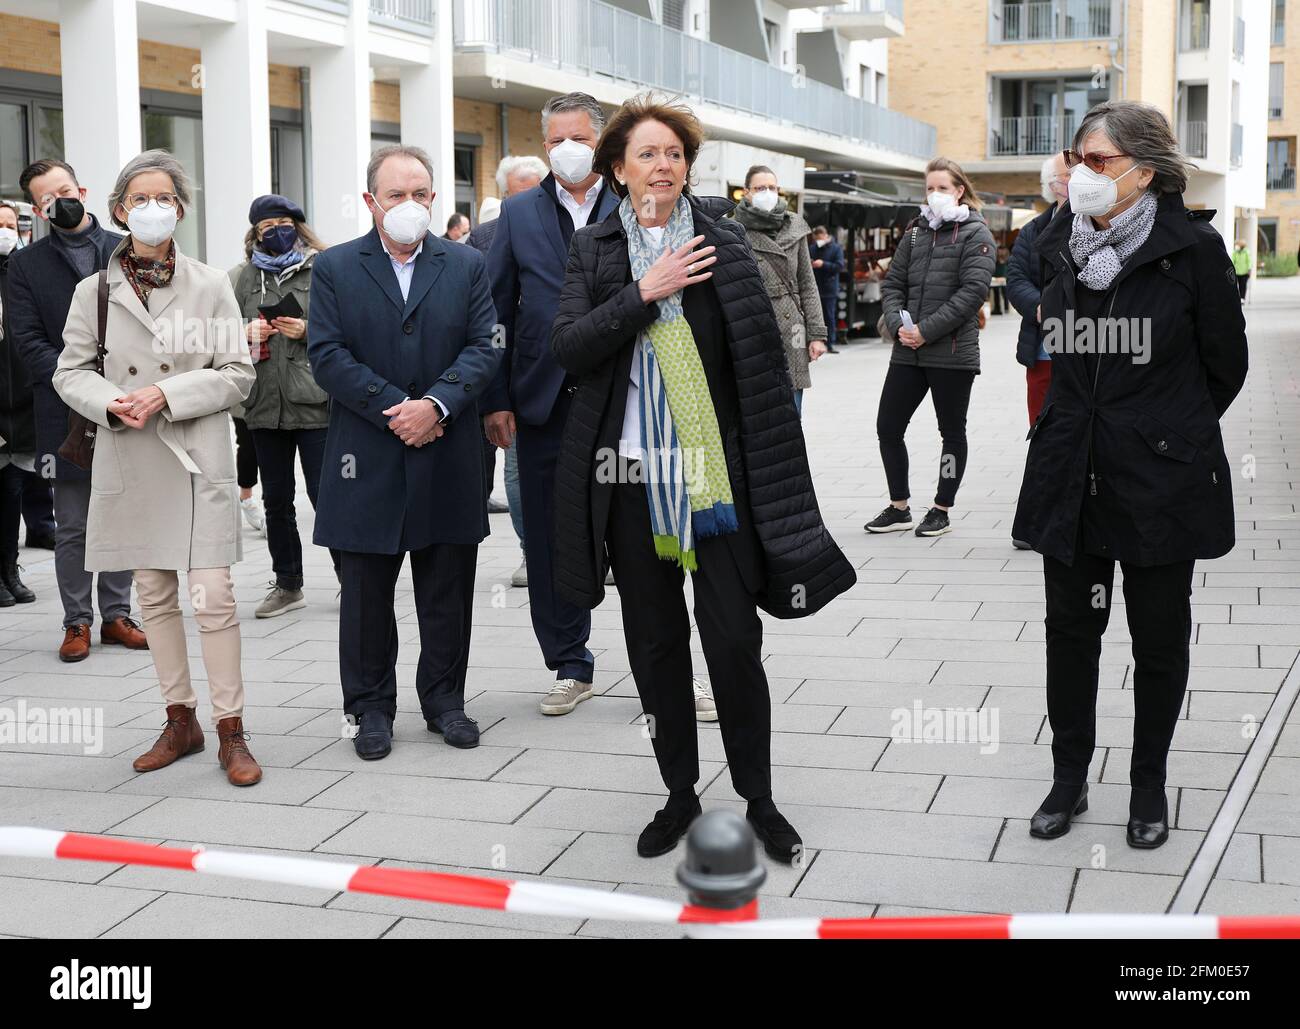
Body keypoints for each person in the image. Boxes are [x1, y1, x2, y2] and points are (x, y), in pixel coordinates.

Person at [550, 92, 856, 861]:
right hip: (628, 480)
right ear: (617, 170)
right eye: (647, 153)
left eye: (675, 154)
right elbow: (568, 349)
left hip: (713, 480)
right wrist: (643, 294)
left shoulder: (723, 243)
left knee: (733, 640)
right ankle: (678, 793)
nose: (664, 165)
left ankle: (760, 797)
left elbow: (756, 366)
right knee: (655, 646)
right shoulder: (594, 252)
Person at [1012, 101, 1248, 849]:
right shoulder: (1057, 243)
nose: (1083, 173)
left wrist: (1159, 426)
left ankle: (1149, 782)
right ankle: (1069, 777)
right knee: (1069, 634)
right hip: (1069, 470)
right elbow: (1058, 339)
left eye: (1100, 161)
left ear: (1145, 171)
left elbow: (1225, 366)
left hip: (1157, 480)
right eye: (1078, 159)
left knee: (1158, 637)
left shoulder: (1195, 250)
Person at [485, 94, 723, 719]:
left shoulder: (642, 204)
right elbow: (496, 310)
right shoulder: (517, 214)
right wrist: (497, 398)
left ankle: (678, 669)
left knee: (657, 540)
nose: (568, 149)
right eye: (556, 139)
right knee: (549, 540)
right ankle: (570, 662)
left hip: (625, 405)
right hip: (544, 401)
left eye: (580, 138)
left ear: (608, 149)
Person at [53, 149, 262, 786]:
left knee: (214, 597)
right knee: (154, 595)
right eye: (139, 199)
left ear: (180, 209)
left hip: (196, 455)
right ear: (118, 210)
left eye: (164, 198)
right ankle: (181, 720)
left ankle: (232, 729)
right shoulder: (94, 290)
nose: (152, 208)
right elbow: (70, 372)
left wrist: (167, 394)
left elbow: (238, 375)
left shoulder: (211, 283)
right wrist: (114, 403)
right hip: (133, 453)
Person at [307, 144, 501, 760]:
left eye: (421, 194)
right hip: (365, 456)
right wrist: (399, 408)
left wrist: (437, 405)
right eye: (396, 195)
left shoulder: (467, 265)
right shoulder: (335, 268)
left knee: (447, 587)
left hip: (447, 452)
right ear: (371, 202)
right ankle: (370, 708)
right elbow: (328, 355)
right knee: (365, 595)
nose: (410, 205)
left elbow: (486, 344)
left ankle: (445, 702)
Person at [7, 158, 147, 661]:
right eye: (47, 198)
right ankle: (76, 622)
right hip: (63, 408)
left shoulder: (126, 249)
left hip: (129, 403)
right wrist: (79, 382)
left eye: (64, 190)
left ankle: (116, 615)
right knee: (73, 523)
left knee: (123, 515)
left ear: (81, 189)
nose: (59, 201)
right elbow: (26, 340)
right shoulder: (25, 265)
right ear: (39, 209)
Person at [867, 157, 995, 539]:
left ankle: (941, 507)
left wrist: (927, 330)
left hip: (952, 352)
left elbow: (973, 293)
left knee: (951, 432)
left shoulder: (976, 233)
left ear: (959, 190)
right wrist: (897, 325)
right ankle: (899, 506)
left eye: (942, 187)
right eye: (929, 188)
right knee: (888, 427)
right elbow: (893, 285)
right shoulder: (916, 232)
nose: (934, 194)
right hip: (908, 350)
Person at [228, 194, 339, 617]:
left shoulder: (325, 267)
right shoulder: (241, 277)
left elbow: (349, 325)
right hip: (262, 406)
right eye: (265, 227)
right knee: (277, 500)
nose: (275, 232)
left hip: (315, 402)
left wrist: (308, 329)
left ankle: (352, 577)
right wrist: (245, 330)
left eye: (282, 223)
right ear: (254, 233)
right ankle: (288, 583)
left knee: (327, 495)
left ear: (298, 224)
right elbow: (218, 328)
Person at [469, 154, 547, 584]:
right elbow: (481, 314)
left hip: (565, 365)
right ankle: (530, 551)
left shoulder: (570, 228)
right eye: (520, 193)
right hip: (513, 373)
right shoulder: (482, 240)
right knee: (518, 469)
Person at [733, 165, 826, 416]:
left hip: (792, 328)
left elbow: (807, 283)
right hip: (752, 327)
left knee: (792, 415)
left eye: (772, 188)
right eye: (760, 188)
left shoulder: (794, 225)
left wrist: (817, 334)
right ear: (746, 193)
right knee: (757, 414)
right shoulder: (733, 230)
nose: (767, 193)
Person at [0, 200, 36, 605]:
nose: (7, 230)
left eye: (11, 224)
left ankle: (10, 567)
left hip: (20, 404)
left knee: (13, 490)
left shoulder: (23, 273)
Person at [808, 224, 844, 352]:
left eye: (820, 238)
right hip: (814, 288)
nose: (818, 241)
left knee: (829, 316)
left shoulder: (836, 248)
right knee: (815, 316)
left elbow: (839, 266)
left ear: (825, 235)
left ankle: (830, 343)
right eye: (816, 239)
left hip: (829, 288)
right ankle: (815, 341)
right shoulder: (812, 248)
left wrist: (824, 264)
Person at [990, 244, 1009, 314]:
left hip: (1006, 283)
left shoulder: (1008, 262)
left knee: (1005, 291)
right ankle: (997, 309)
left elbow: (1009, 273)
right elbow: (993, 272)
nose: (1000, 253)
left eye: (1002, 251)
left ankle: (1006, 309)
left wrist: (1004, 278)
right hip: (995, 282)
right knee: (995, 290)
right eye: (999, 251)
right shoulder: (995, 263)